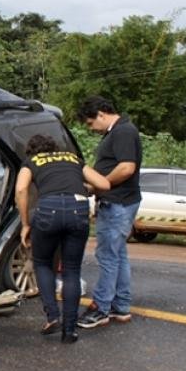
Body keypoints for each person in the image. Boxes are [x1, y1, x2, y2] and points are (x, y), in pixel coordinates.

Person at [15, 134, 110, 343]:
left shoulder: (32, 161)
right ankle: (70, 331)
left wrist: (25, 225)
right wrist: (85, 188)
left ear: (32, 151)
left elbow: (21, 189)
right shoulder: (72, 158)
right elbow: (104, 184)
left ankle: (52, 316)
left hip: (48, 209)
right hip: (78, 209)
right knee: (72, 270)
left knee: (42, 263)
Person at [76, 96, 142, 328]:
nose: (91, 129)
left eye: (90, 123)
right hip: (120, 201)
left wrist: (101, 184)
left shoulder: (123, 131)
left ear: (101, 114)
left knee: (107, 257)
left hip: (118, 202)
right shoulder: (118, 131)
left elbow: (126, 167)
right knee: (118, 255)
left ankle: (101, 308)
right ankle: (120, 306)